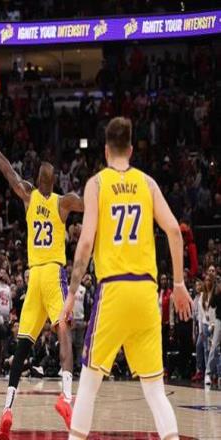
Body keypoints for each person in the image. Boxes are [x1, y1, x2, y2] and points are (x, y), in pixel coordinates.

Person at [61, 117, 192, 440]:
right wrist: (178, 284)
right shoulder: (148, 184)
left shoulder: (96, 184)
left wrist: (71, 295)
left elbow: (86, 243)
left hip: (114, 289)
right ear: (131, 150)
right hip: (146, 292)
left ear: (106, 151)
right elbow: (175, 231)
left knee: (89, 384)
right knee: (155, 391)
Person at [0, 121, 84, 437]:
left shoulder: (28, 195)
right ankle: (66, 398)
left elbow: (8, 172)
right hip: (52, 273)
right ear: (56, 180)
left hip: (33, 276)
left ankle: (6, 409)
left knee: (22, 345)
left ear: (37, 180)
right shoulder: (63, 202)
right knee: (64, 331)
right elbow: (89, 203)